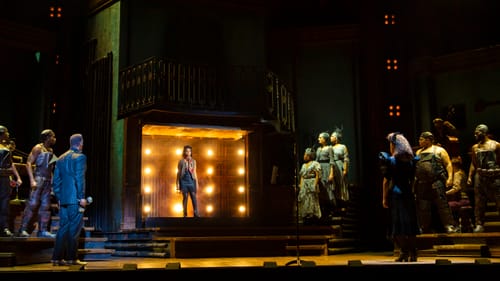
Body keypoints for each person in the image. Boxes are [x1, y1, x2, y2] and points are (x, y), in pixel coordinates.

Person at [379, 132, 420, 262]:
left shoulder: (391, 161)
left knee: (397, 225)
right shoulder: (411, 161)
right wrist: (412, 191)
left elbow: (386, 181)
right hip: (408, 193)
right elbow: (414, 179)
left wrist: (384, 198)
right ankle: (413, 253)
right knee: (410, 224)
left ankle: (403, 252)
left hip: (396, 193)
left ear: (394, 145)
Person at [51, 134, 88, 266]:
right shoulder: (80, 157)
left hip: (64, 200)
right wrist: (81, 197)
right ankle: (71, 258)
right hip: (75, 200)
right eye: (82, 142)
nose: (83, 144)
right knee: (74, 229)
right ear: (79, 143)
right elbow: (79, 179)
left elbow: (55, 182)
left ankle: (56, 258)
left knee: (63, 228)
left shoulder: (60, 158)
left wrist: (59, 198)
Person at [414, 131, 458, 233]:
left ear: (428, 140)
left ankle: (449, 225)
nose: (419, 141)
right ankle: (424, 227)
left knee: (442, 205)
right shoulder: (418, 152)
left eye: (421, 139)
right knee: (423, 207)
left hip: (436, 181)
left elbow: (448, 164)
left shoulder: (439, 150)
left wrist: (450, 177)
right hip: (422, 183)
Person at [18, 129, 57, 238]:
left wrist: (52, 182)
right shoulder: (37, 148)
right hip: (38, 179)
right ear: (48, 137)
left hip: (47, 180)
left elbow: (50, 168)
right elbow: (29, 163)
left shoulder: (50, 150)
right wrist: (32, 180)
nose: (54, 139)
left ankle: (43, 230)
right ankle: (23, 229)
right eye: (53, 136)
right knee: (33, 204)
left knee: (46, 205)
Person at [467, 124, 500, 233]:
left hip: (494, 176)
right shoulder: (475, 147)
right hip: (480, 176)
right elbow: (473, 163)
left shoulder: (496, 145)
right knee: (479, 202)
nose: (475, 135)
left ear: (484, 133)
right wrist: (470, 176)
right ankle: (479, 224)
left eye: (477, 133)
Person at [0, 125, 23, 237]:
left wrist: (17, 177)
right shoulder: (3, 149)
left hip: (4, 178)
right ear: (2, 134)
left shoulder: (6, 148)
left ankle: (4, 227)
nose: (8, 134)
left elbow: (11, 165)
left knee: (4, 204)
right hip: (2, 176)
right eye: (7, 132)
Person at [446, 156, 472, 232]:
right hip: (464, 198)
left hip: (461, 199)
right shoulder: (462, 172)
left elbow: (456, 188)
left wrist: (445, 193)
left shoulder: (457, 174)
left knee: (446, 207)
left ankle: (455, 225)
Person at [298, 148, 322, 224]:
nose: (304, 156)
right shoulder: (304, 165)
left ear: (309, 156)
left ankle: (312, 216)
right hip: (305, 183)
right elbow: (302, 176)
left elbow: (317, 175)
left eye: (305, 154)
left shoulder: (315, 164)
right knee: (304, 199)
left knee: (312, 199)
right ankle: (305, 216)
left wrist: (315, 185)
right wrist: (301, 186)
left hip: (311, 182)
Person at [315, 132, 335, 221]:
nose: (318, 139)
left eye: (320, 137)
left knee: (327, 188)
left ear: (324, 139)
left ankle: (329, 209)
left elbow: (331, 161)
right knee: (321, 189)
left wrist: (331, 173)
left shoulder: (329, 148)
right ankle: (322, 210)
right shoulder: (318, 149)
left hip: (326, 168)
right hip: (320, 168)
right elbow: (316, 160)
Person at [329, 127, 350, 211]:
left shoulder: (343, 146)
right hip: (332, 167)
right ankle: (335, 204)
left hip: (340, 165)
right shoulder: (330, 147)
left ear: (336, 138)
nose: (331, 138)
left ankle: (343, 203)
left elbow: (346, 158)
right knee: (334, 185)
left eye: (332, 136)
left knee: (341, 184)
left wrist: (345, 169)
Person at [176, 145, 199, 218]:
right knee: (185, 197)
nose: (188, 152)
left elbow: (195, 172)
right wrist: (177, 184)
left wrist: (197, 183)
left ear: (191, 152)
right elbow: (178, 173)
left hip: (191, 180)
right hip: (183, 181)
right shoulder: (181, 161)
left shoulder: (194, 161)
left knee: (193, 196)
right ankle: (184, 213)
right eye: (186, 151)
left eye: (189, 151)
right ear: (184, 152)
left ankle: (196, 213)